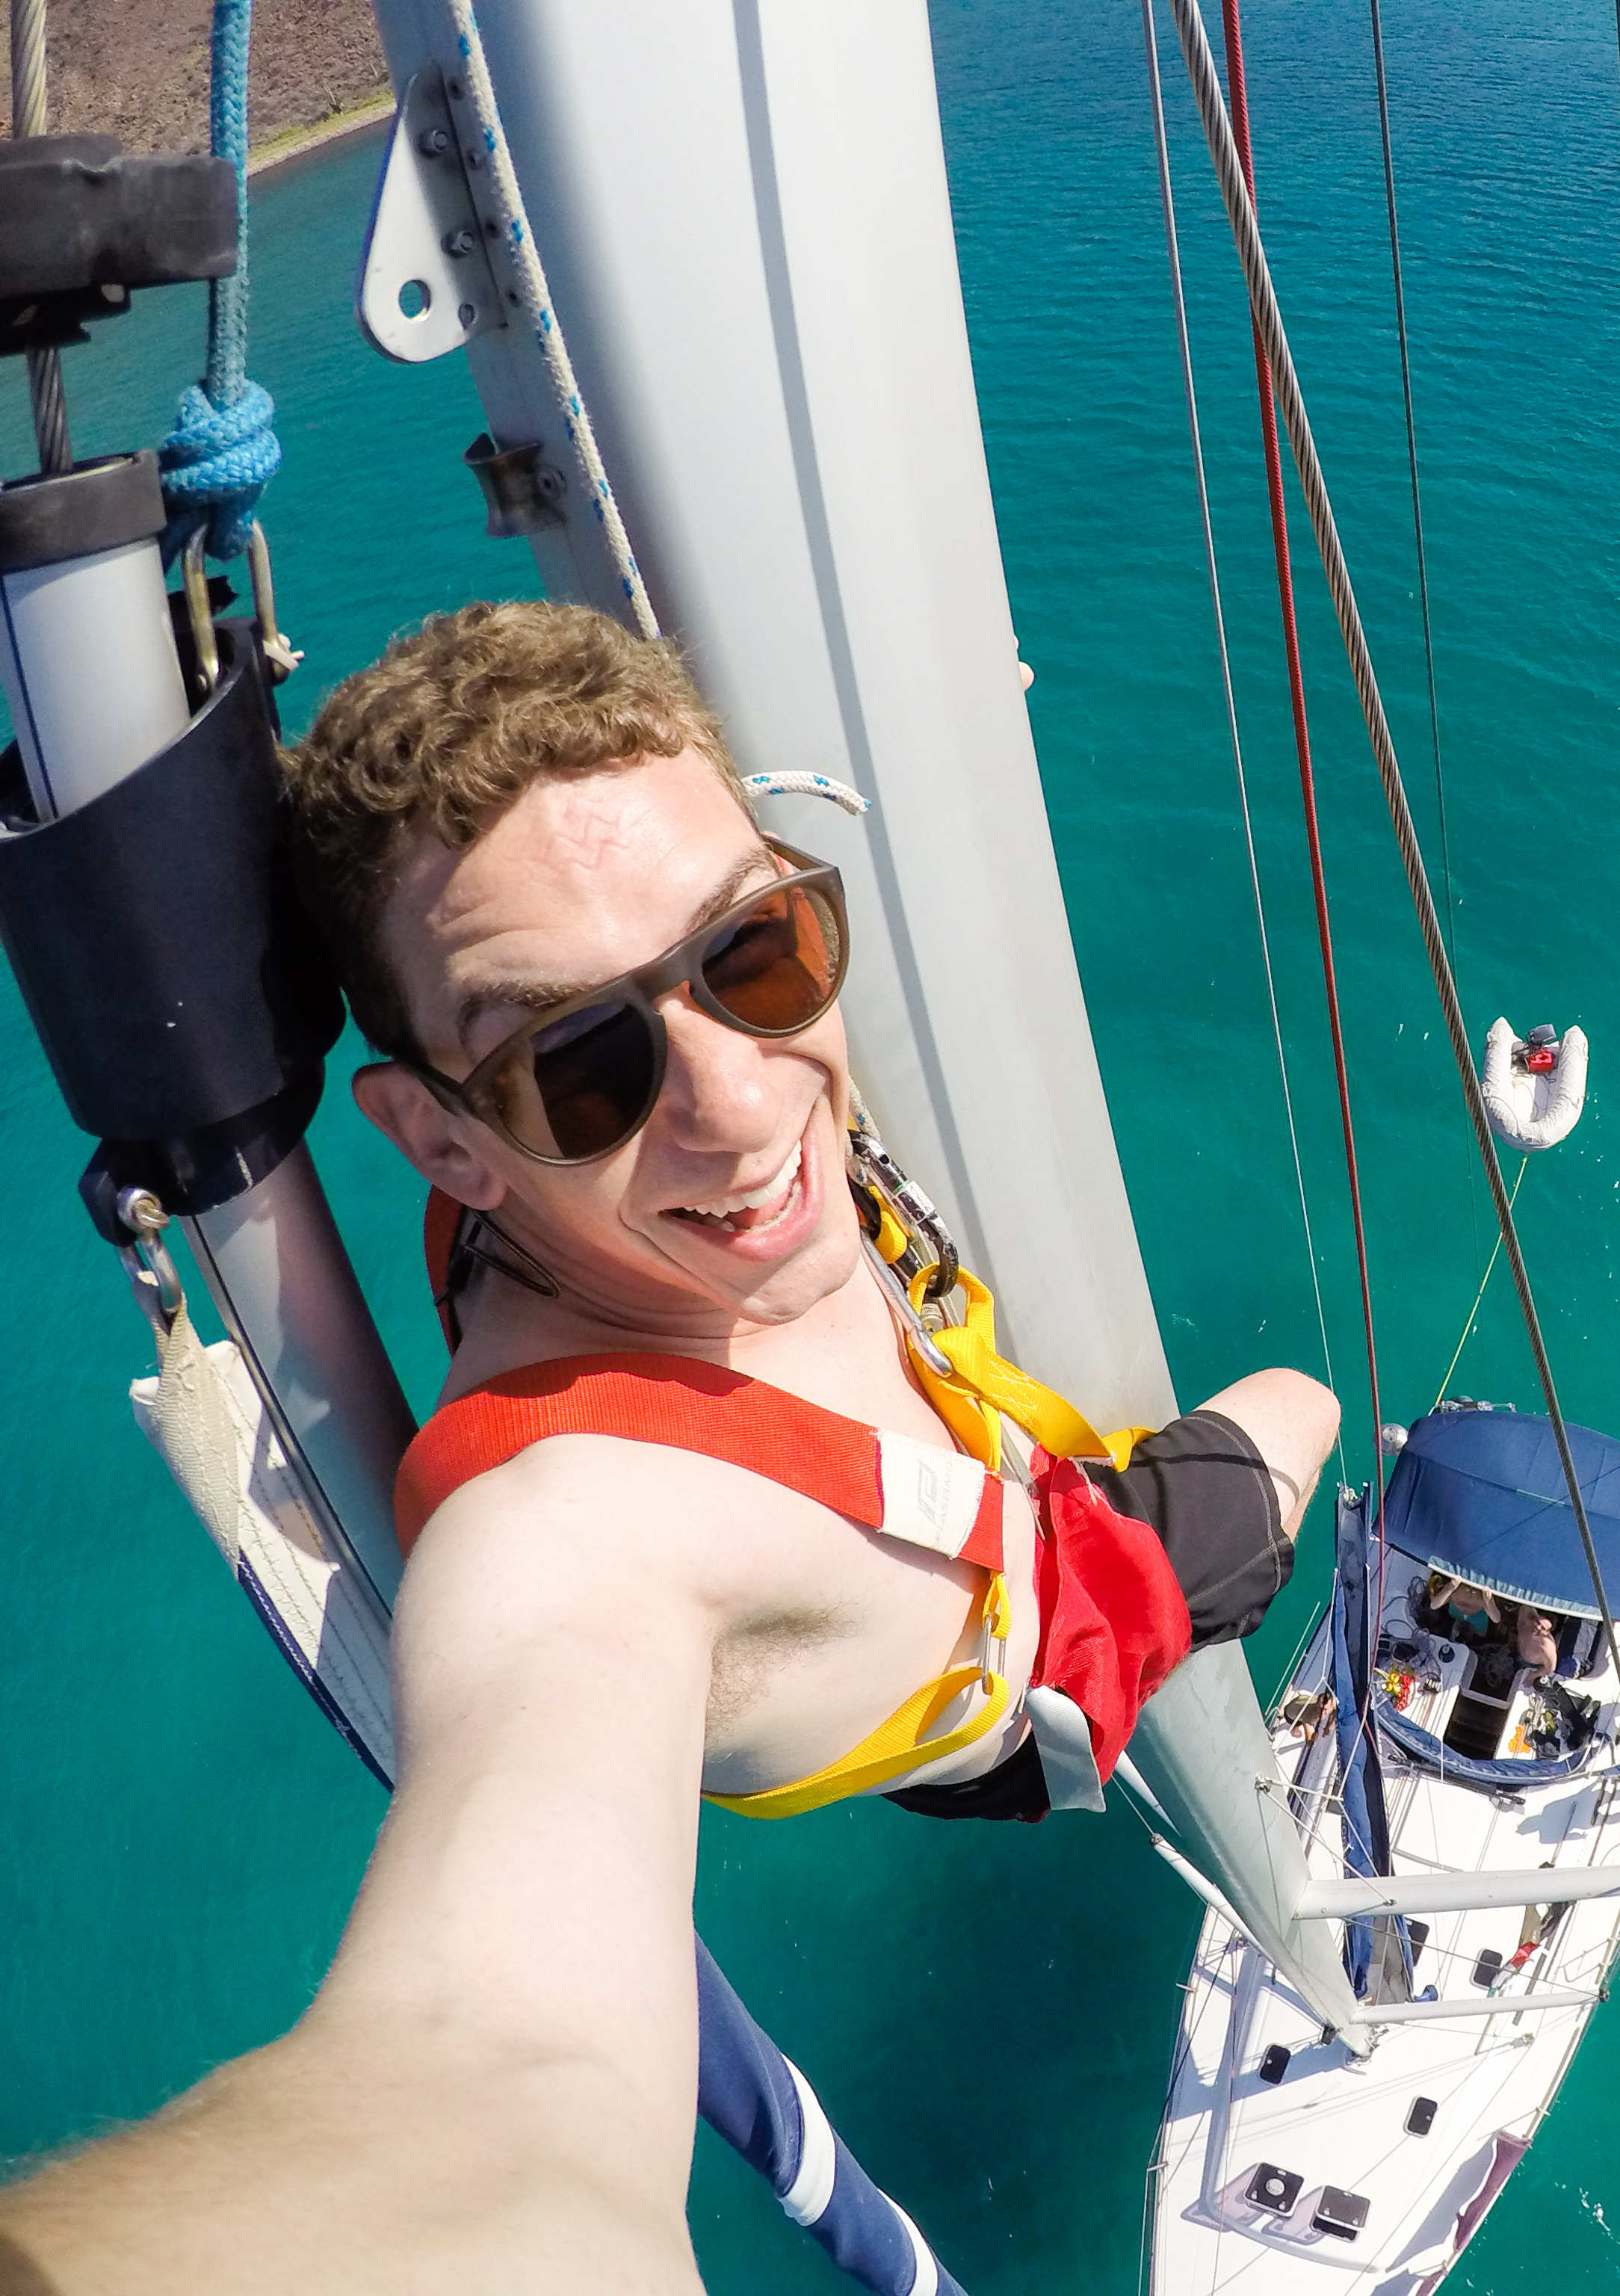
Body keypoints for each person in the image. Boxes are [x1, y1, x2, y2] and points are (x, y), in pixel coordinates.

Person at [0, 602, 1337, 2291]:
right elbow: (492, 2082)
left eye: (756, 953)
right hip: (1044, 1656)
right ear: (439, 1141)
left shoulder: (562, 1170)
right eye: (583, 1063)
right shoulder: (575, 1533)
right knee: (1298, 1411)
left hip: (972, 1452)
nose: (741, 1101)